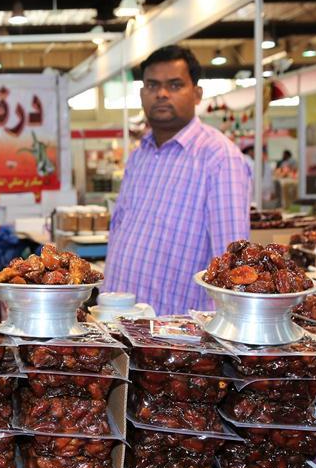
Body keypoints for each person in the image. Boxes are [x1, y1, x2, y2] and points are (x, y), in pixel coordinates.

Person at [103, 45, 252, 315]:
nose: (161, 94)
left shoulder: (219, 159)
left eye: (174, 85)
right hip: (121, 323)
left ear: (197, 94)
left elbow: (234, 265)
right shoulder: (140, 156)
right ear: (141, 93)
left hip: (177, 335)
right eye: (152, 85)